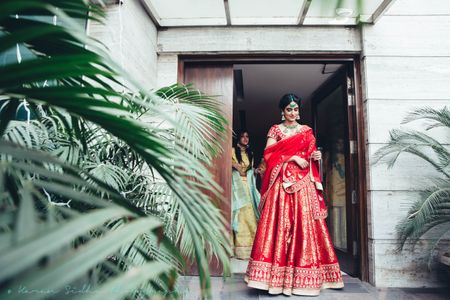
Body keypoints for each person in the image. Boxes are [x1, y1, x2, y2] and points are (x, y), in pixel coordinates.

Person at [245, 94, 344, 296]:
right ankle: (272, 279)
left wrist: (315, 156)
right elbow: (269, 154)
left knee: (304, 225)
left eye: (296, 109)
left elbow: (311, 153)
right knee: (279, 225)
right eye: (289, 109)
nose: (293, 113)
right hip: (281, 183)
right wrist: (292, 158)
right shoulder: (275, 130)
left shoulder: (306, 131)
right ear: (282, 111)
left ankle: (306, 277)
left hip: (303, 184)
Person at [231, 131, 261, 259]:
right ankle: (238, 249)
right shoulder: (232, 151)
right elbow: (229, 165)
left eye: (247, 136)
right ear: (238, 138)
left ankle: (251, 249)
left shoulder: (251, 153)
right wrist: (233, 164)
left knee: (250, 214)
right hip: (236, 185)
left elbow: (249, 170)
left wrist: (256, 171)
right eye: (243, 136)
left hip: (248, 186)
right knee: (239, 213)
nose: (245, 138)